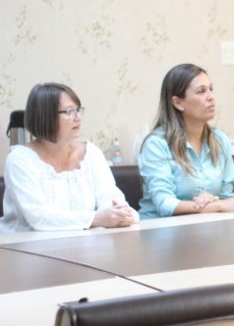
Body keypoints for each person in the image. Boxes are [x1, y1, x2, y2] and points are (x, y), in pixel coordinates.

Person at [0, 83, 138, 232]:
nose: (78, 117)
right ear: (45, 116)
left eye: (78, 110)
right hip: (24, 244)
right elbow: (39, 217)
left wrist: (119, 213)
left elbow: (110, 197)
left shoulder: (91, 153)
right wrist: (96, 219)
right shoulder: (20, 160)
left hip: (83, 243)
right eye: (69, 111)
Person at [138, 63, 234, 218]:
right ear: (178, 103)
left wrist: (214, 201)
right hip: (159, 228)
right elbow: (165, 204)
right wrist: (217, 205)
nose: (211, 97)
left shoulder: (220, 140)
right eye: (201, 91)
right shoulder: (156, 144)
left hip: (205, 226)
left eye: (211, 89)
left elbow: (226, 197)